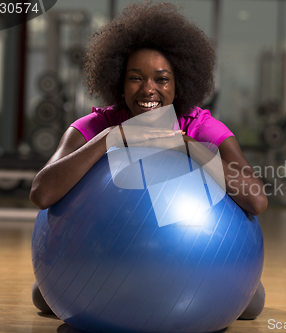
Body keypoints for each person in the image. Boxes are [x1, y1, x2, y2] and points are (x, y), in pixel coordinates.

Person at [30, 2, 267, 321]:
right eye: (135, 78)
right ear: (119, 81)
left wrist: (188, 146)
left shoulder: (201, 128)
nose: (149, 90)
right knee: (45, 298)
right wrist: (110, 138)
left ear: (178, 82)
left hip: (197, 266)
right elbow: (41, 194)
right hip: (101, 261)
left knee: (250, 305)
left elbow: (256, 200)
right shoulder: (95, 126)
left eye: (162, 79)